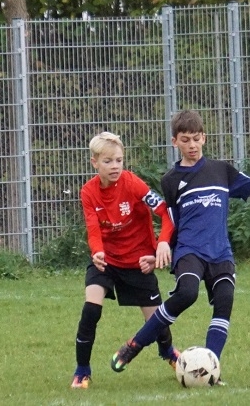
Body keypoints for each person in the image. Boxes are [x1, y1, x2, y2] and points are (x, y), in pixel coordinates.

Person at [110, 109, 250, 377]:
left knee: (225, 302)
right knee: (187, 294)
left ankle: (209, 368)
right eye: (185, 140)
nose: (192, 145)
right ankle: (134, 345)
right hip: (189, 250)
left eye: (196, 138)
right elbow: (172, 221)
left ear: (204, 138)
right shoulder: (171, 180)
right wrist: (159, 250)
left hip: (220, 252)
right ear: (174, 142)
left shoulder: (221, 171)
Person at [71, 131, 178, 389]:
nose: (115, 166)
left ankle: (169, 354)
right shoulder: (88, 192)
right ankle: (82, 371)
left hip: (138, 262)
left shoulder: (133, 184)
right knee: (91, 309)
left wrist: (160, 245)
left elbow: (165, 213)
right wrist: (97, 251)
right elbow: (93, 229)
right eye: (108, 161)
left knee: (157, 322)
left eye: (119, 160)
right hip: (106, 261)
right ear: (94, 162)